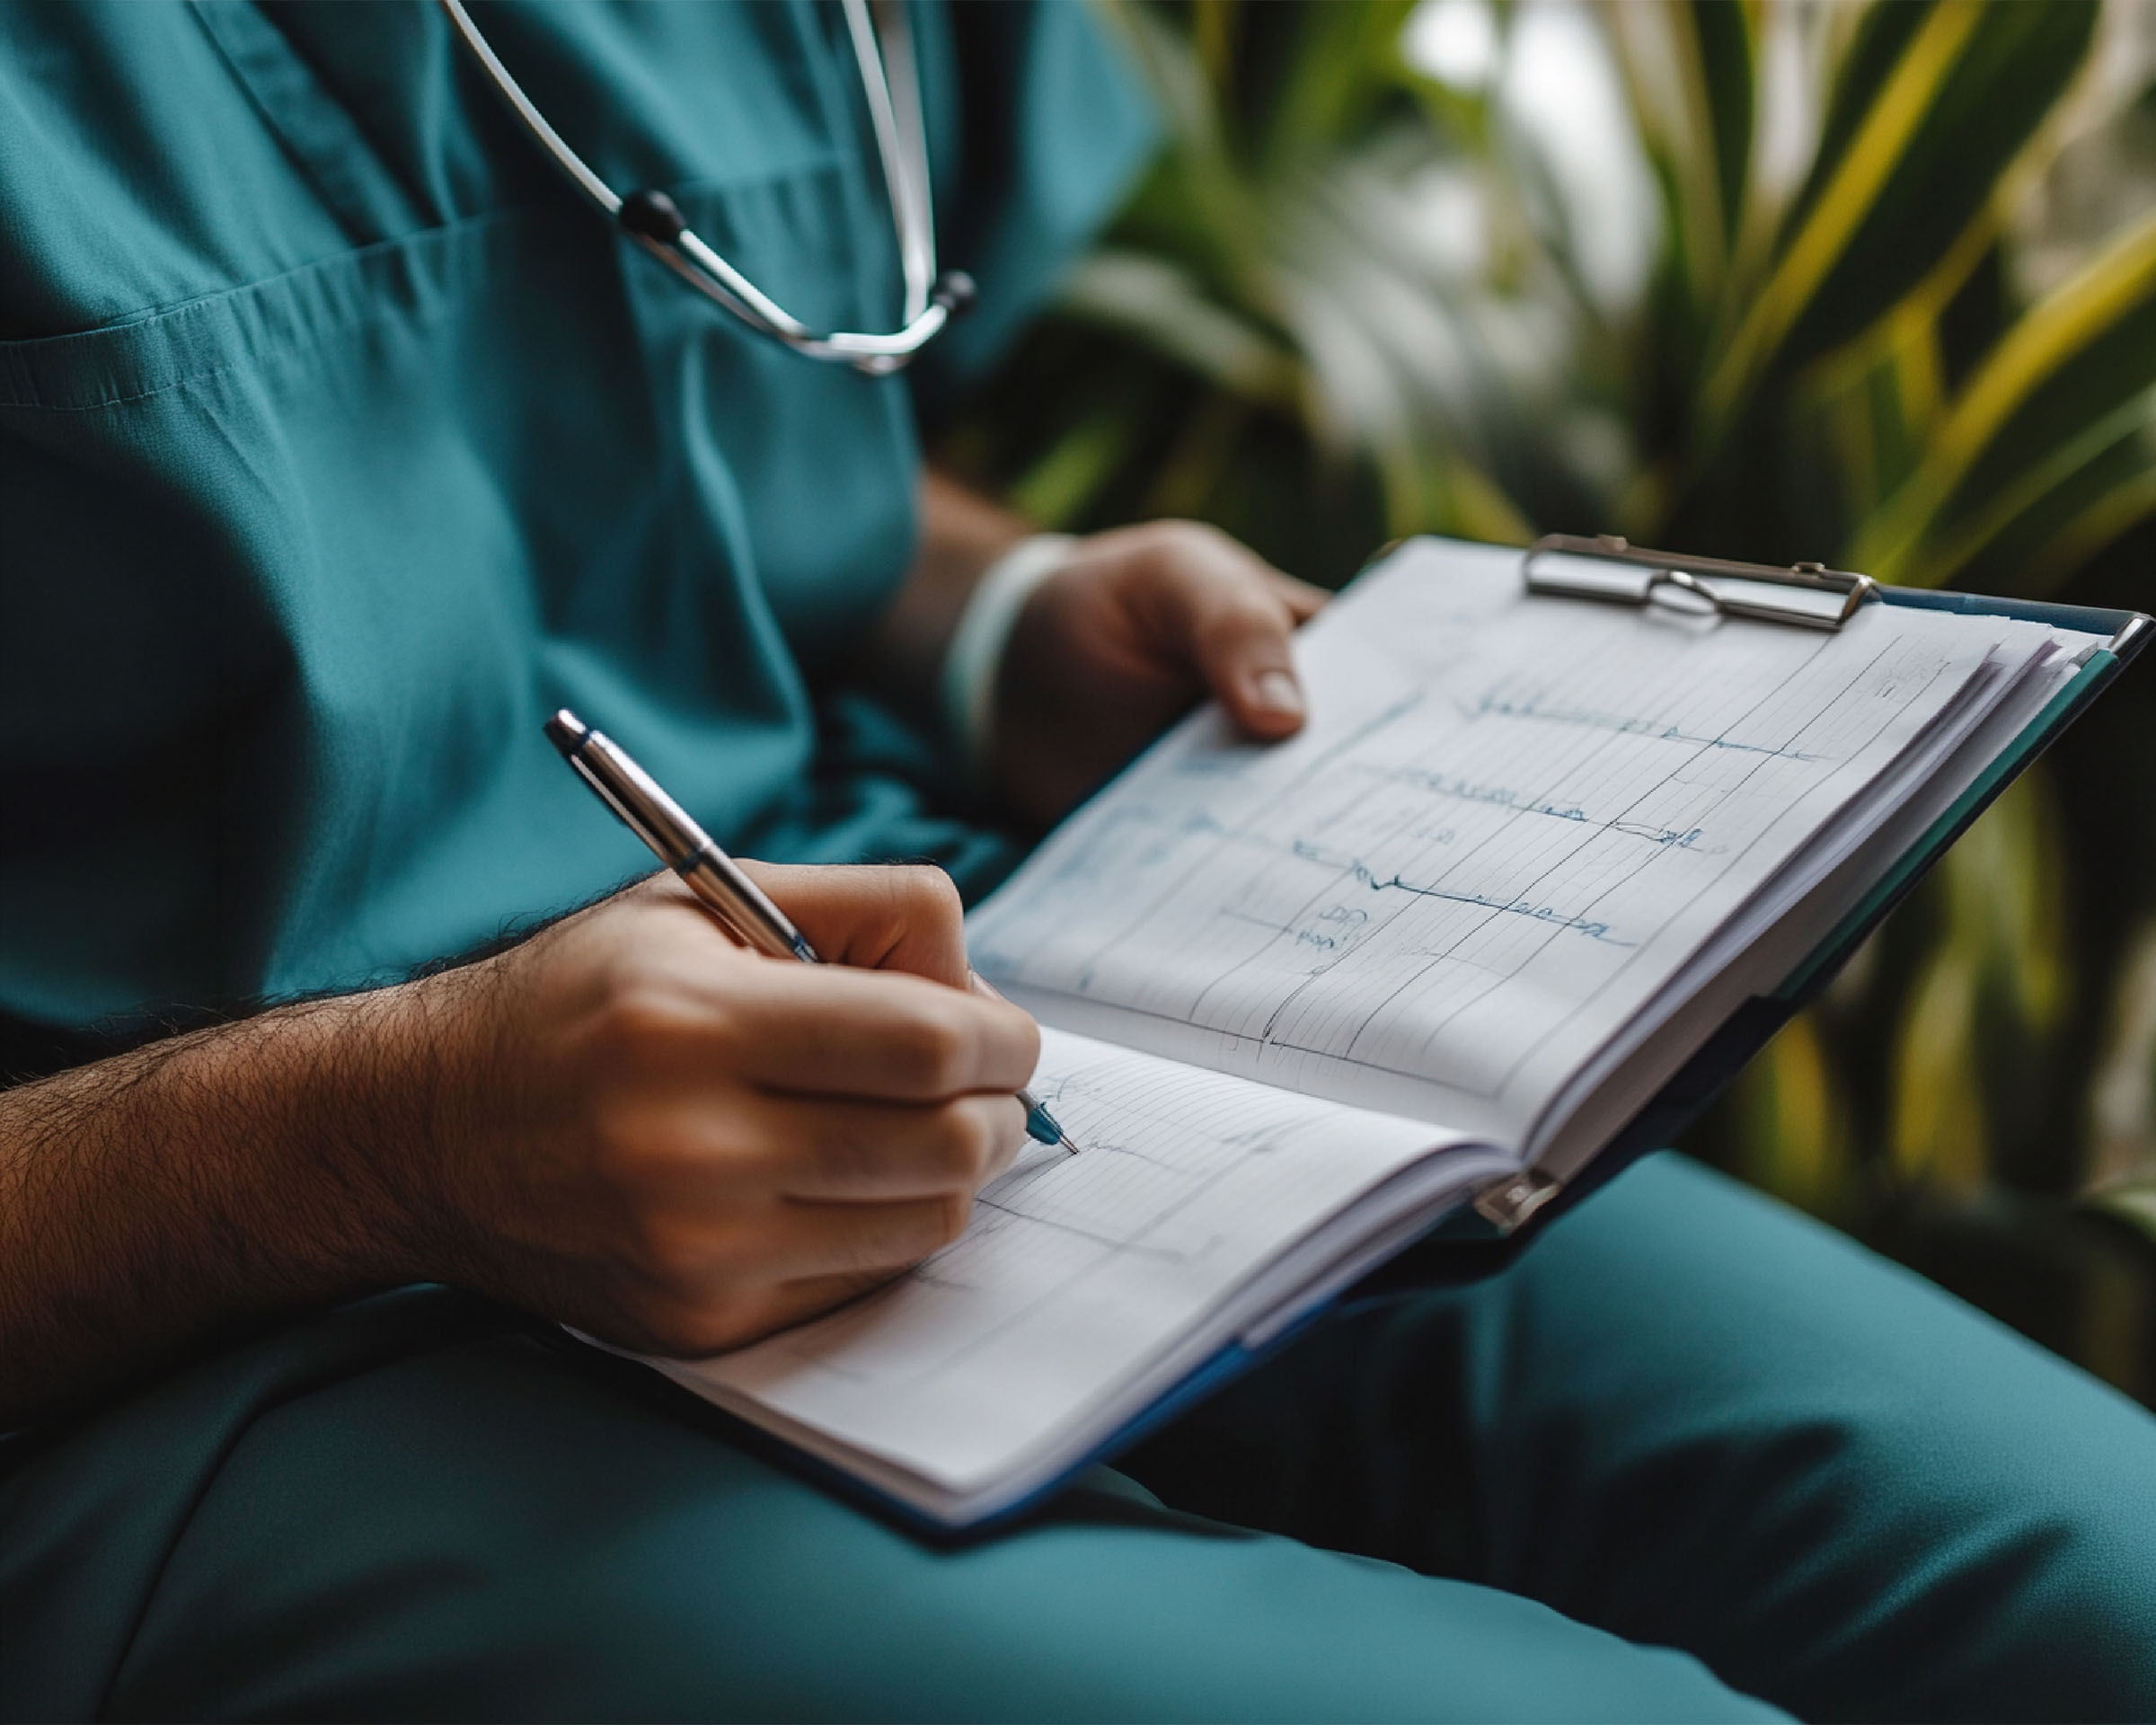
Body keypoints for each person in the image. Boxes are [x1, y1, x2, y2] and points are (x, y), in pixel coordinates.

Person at [4, 4, 2155, 1720]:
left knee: (2102, 1590)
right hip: (221, 1329)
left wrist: (996, 618)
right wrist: (371, 1139)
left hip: (939, 970)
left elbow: (650, 423)